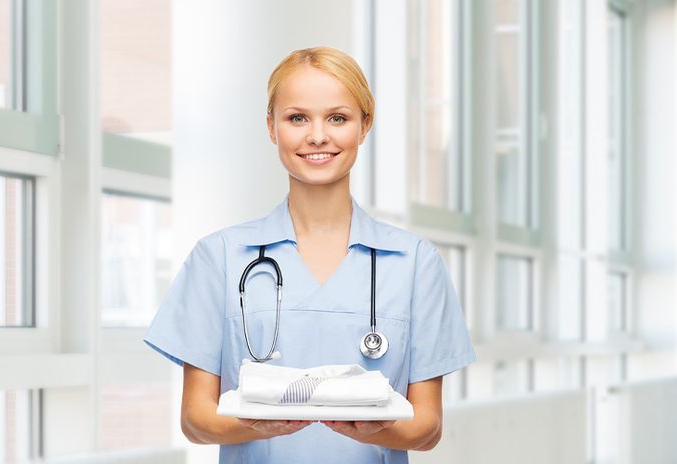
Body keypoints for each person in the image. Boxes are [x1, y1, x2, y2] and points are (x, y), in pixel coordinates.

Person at [143, 46, 475, 463]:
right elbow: (195, 420)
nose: (317, 136)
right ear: (271, 126)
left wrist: (367, 428)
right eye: (297, 118)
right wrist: (258, 424)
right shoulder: (220, 257)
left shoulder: (415, 263)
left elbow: (427, 428)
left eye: (338, 118)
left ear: (364, 125)